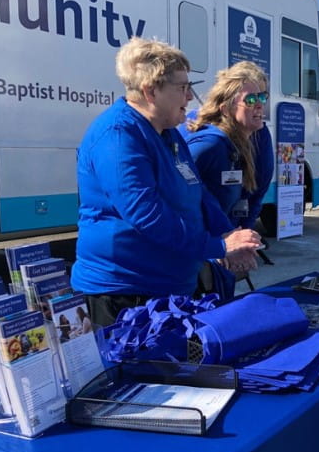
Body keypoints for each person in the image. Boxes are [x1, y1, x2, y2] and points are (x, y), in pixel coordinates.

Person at [71, 37, 261, 327]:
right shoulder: (118, 135)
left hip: (172, 287)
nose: (189, 97)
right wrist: (218, 248)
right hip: (127, 294)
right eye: (182, 88)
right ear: (151, 91)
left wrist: (230, 237)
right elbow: (146, 215)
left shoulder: (168, 132)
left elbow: (200, 195)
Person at [181, 61, 273, 230]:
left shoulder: (255, 137)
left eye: (262, 97)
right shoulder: (211, 145)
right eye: (251, 99)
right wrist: (213, 246)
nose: (260, 104)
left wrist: (242, 236)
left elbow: (257, 192)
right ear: (226, 109)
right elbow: (175, 197)